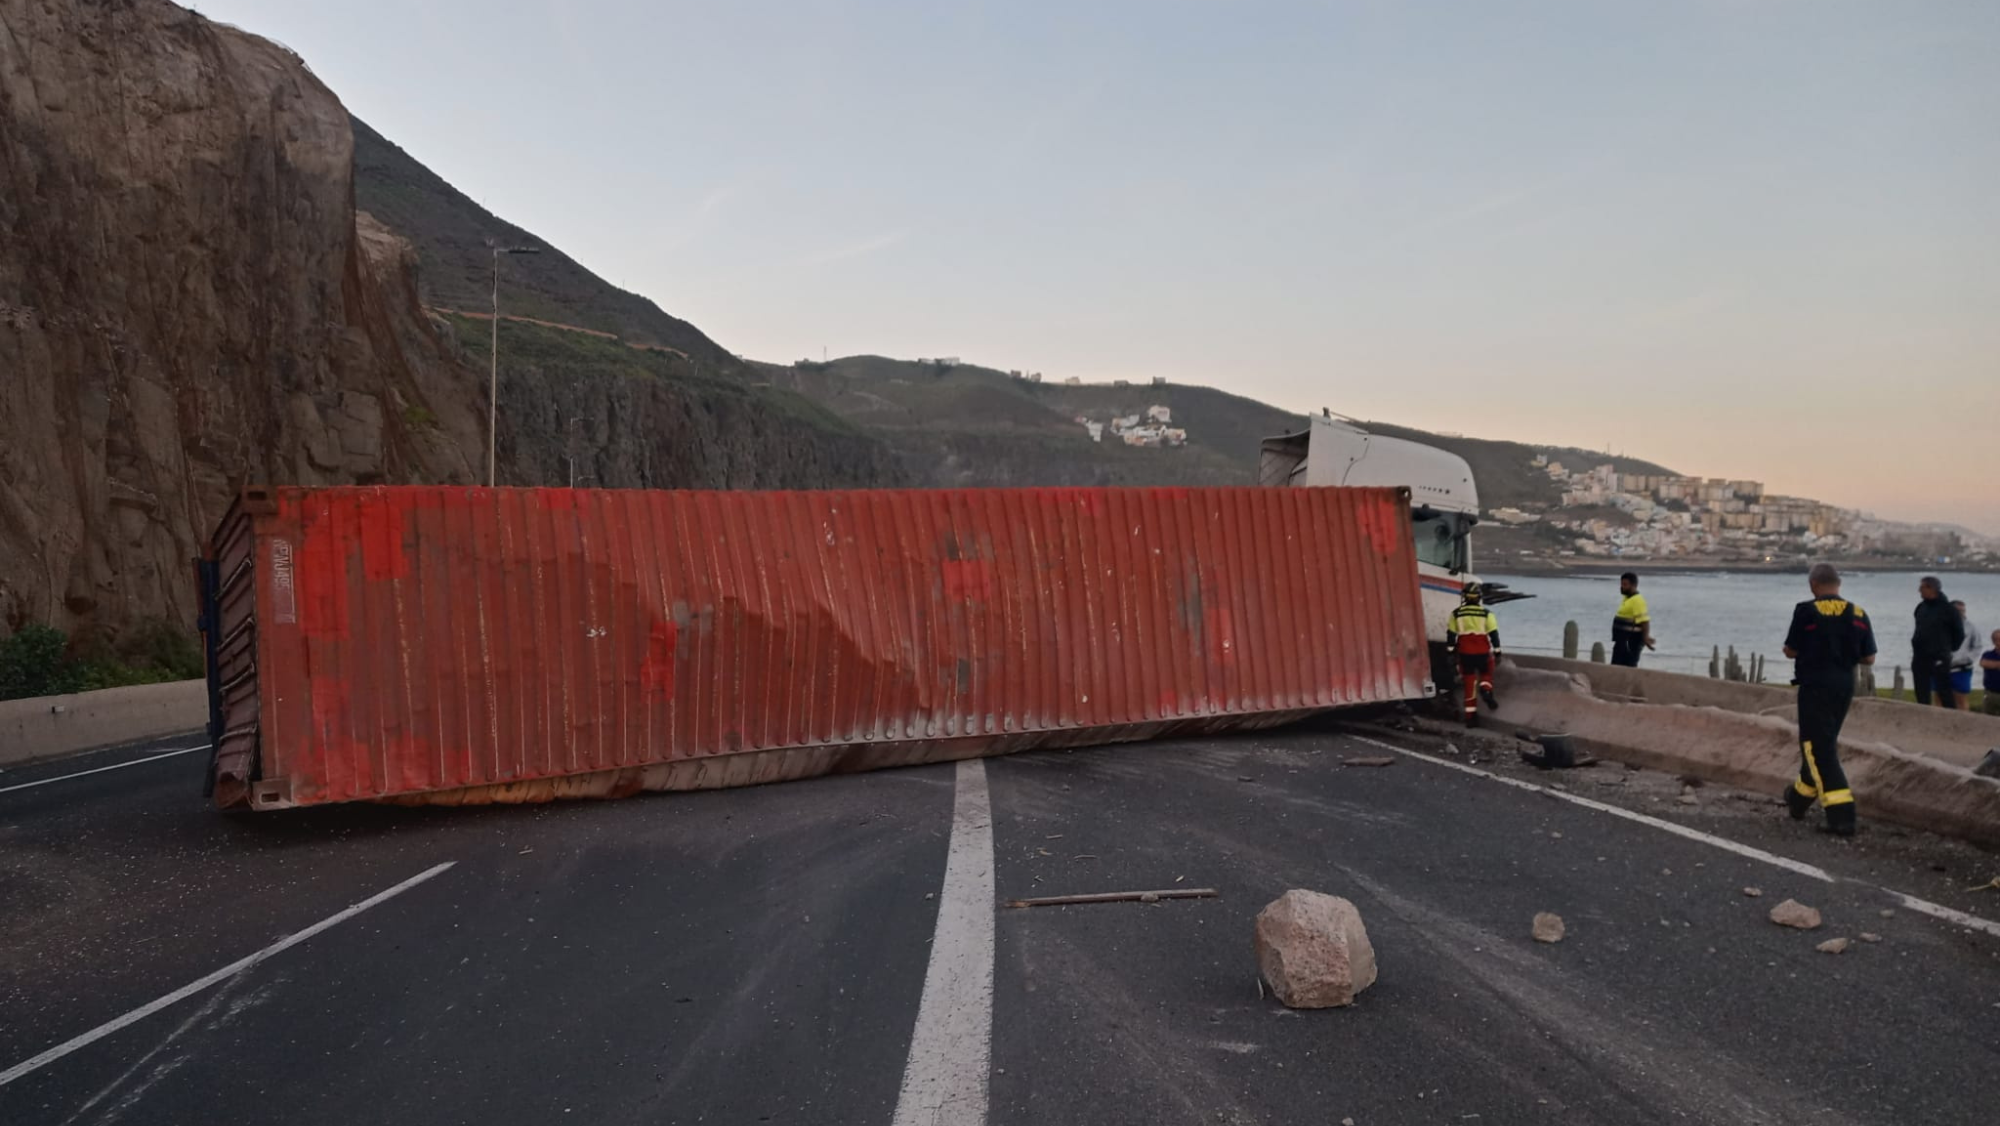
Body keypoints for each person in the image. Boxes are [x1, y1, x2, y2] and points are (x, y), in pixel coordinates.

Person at [1782, 563, 1876, 837]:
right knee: (1823, 743)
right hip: (1845, 685)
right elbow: (1869, 658)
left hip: (1815, 685)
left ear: (1813, 585)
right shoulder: (1858, 613)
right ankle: (1797, 800)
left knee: (1816, 748)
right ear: (1839, 584)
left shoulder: (1806, 611)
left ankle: (1842, 816)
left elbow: (1791, 650)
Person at [1445, 582, 1502, 725]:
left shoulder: (1456, 614)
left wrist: (1450, 653)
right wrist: (1497, 651)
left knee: (1469, 684)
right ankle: (1486, 689)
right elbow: (1494, 634)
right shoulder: (1487, 614)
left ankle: (1471, 718)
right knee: (1486, 673)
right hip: (1482, 651)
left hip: (1465, 653)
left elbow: (1451, 636)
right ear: (1479, 597)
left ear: (1464, 596)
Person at [1910, 576, 1964, 708]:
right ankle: (1924, 716)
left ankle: (1951, 718)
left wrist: (1948, 649)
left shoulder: (1948, 610)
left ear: (1931, 588)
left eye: (1922, 587)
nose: (1919, 590)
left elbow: (1959, 633)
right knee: (1921, 691)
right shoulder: (1921, 608)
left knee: (1943, 691)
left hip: (1939, 656)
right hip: (1920, 656)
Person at [1611, 571, 1654, 667]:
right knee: (1615, 666)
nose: (1622, 587)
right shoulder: (1627, 598)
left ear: (1634, 585)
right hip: (1621, 641)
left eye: (1625, 584)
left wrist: (1645, 638)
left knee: (1628, 666)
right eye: (1621, 584)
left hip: (1631, 641)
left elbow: (1645, 621)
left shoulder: (1637, 600)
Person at [1947, 601, 1978, 712]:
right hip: (1942, 667)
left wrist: (1968, 658)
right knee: (1940, 698)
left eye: (1963, 610)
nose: (1961, 613)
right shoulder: (1940, 625)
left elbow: (1977, 646)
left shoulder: (1970, 627)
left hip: (1961, 669)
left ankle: (1964, 726)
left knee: (1961, 700)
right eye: (1958, 610)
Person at [1981, 629, 2000, 717]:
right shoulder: (1988, 654)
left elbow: (1988, 663)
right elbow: (1983, 663)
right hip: (1990, 694)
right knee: (1986, 719)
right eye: (1996, 639)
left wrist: (1992, 664)